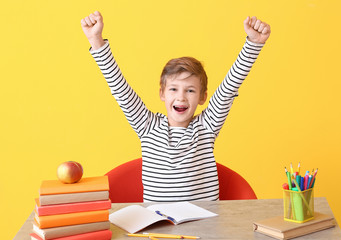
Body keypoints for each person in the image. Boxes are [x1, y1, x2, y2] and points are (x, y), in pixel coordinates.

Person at [81, 11, 270, 202]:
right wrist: (96, 41)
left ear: (203, 97)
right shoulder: (147, 126)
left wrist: (253, 44)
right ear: (162, 94)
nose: (181, 97)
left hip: (204, 227)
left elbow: (229, 88)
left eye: (190, 91)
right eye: (173, 89)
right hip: (158, 227)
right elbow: (121, 91)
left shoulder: (207, 126)